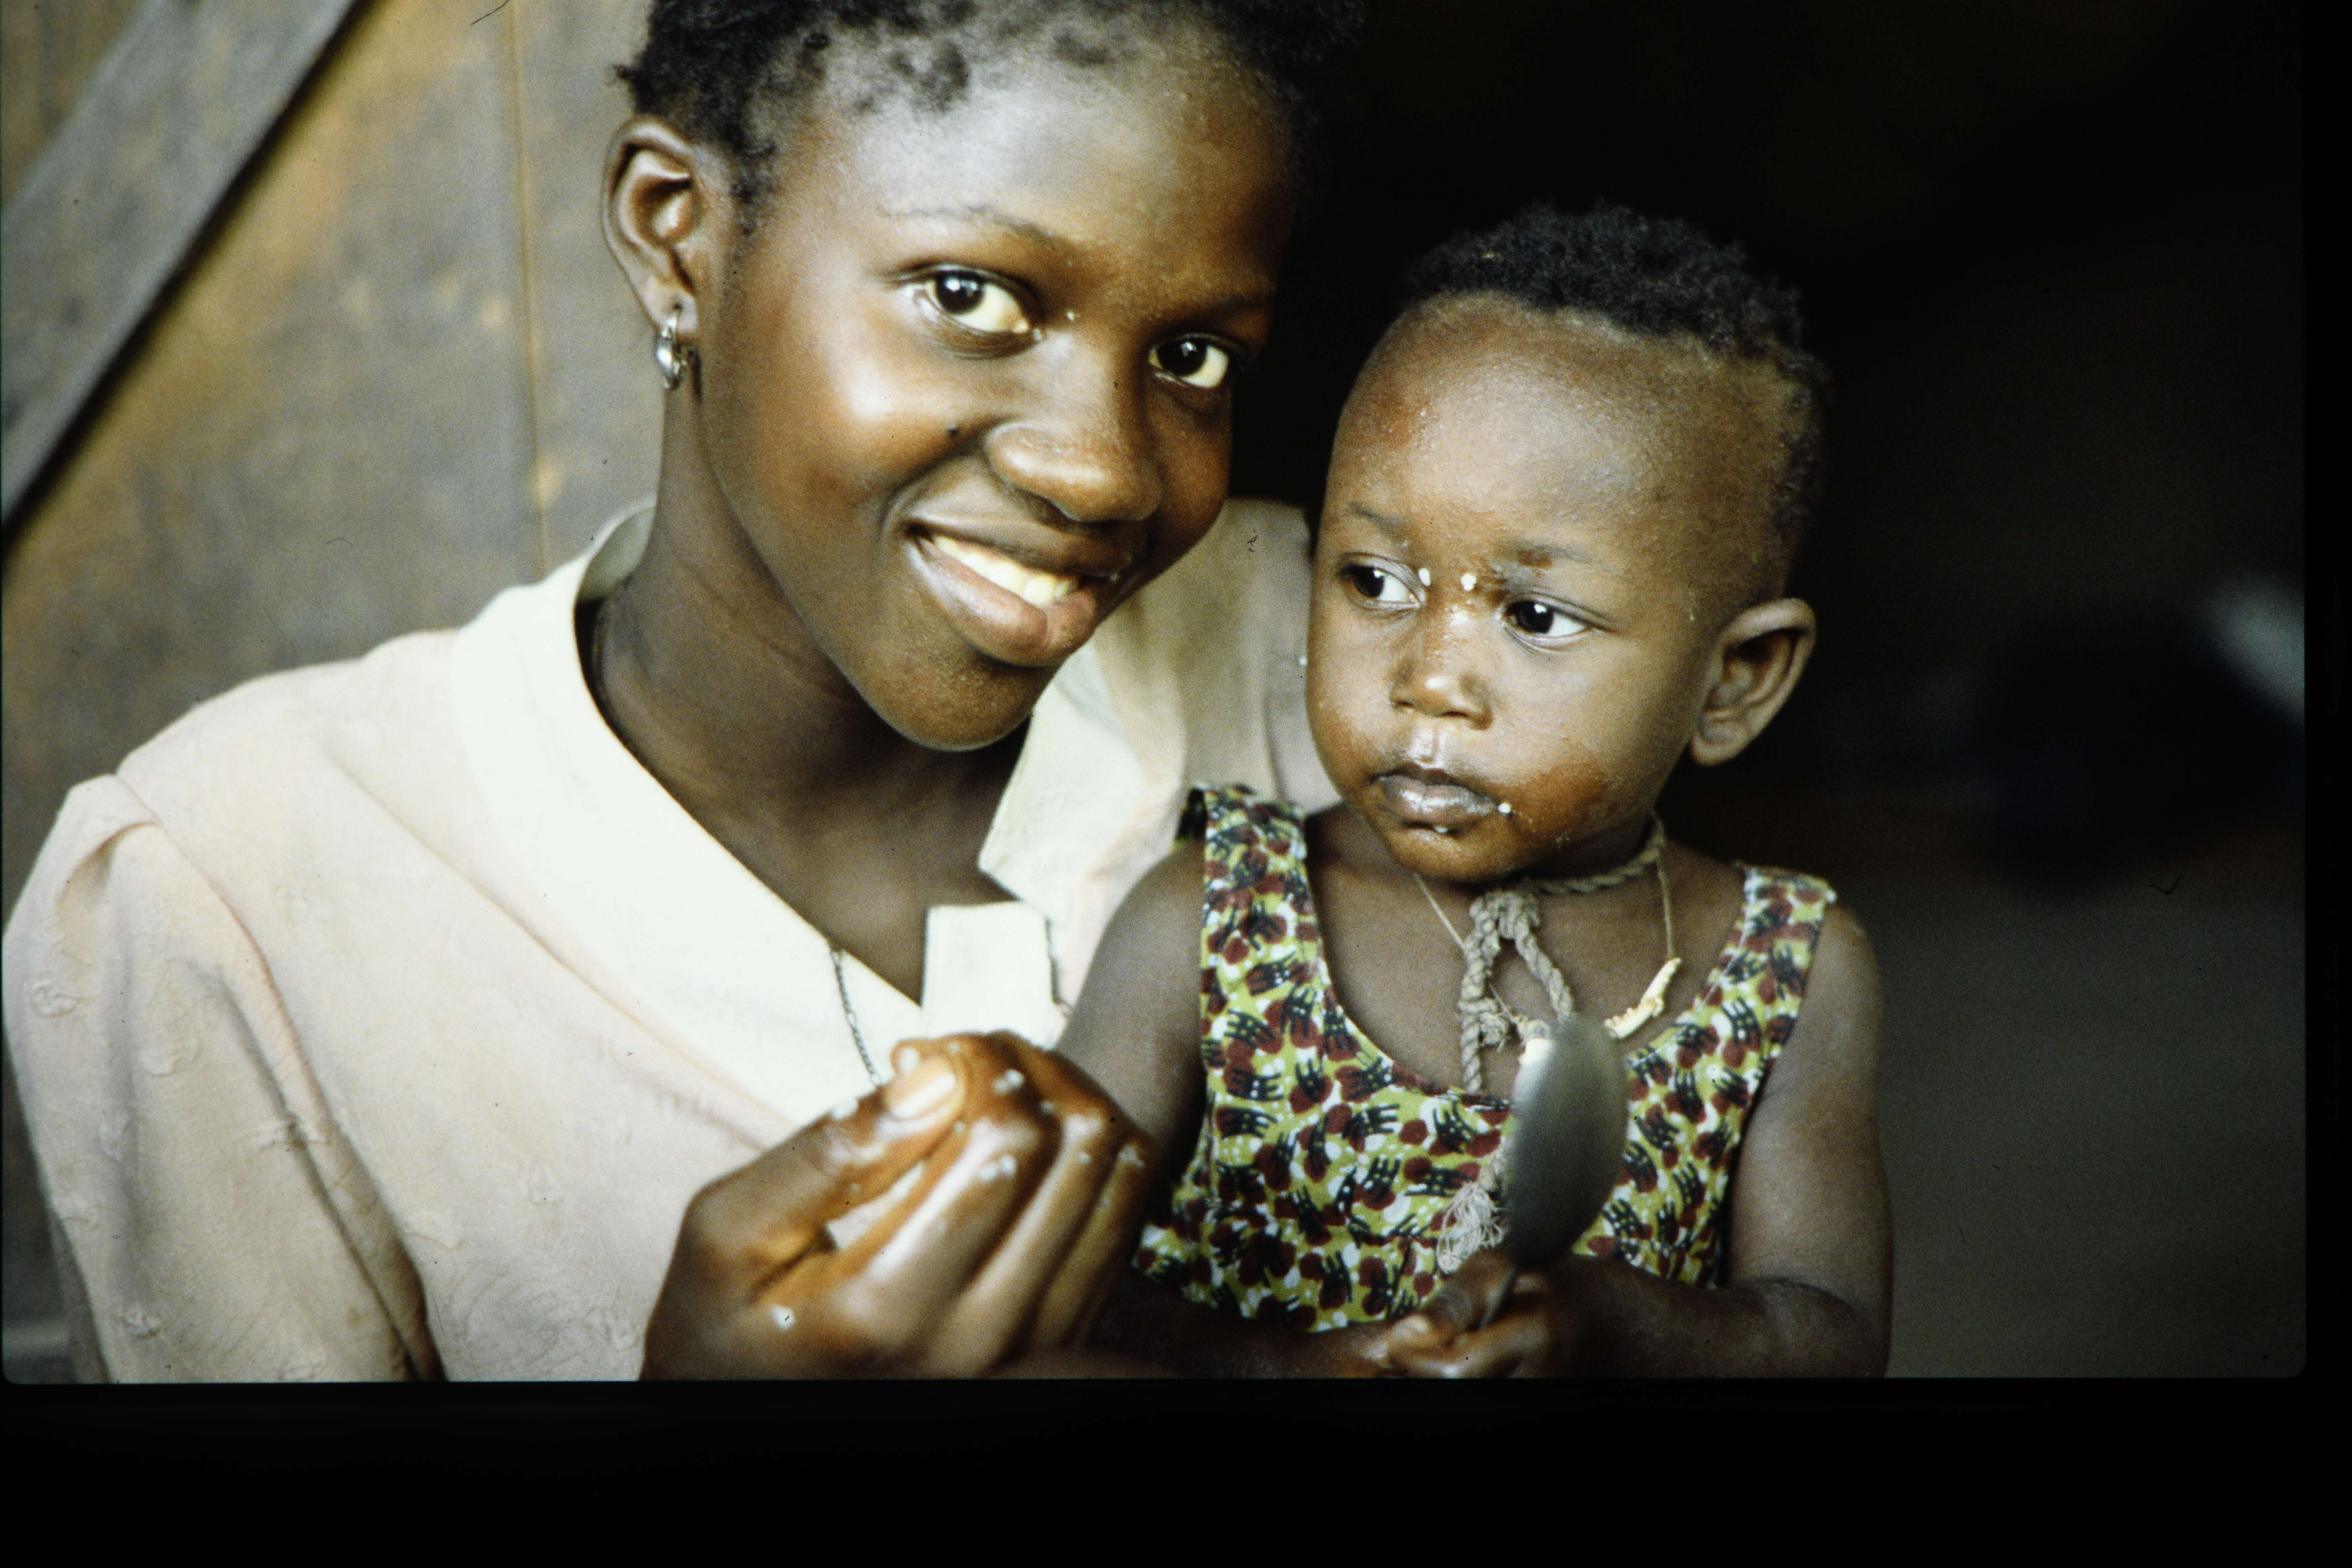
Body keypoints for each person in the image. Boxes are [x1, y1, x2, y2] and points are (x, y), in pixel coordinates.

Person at [1, 0, 1360, 1381]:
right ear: (674, 234)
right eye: (968, 297)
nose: (1104, 471)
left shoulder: (1340, 669)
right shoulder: (229, 900)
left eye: (1193, 357)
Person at [1058, 202, 1892, 1376]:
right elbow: (1058, 1285)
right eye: (1374, 581)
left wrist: (1615, 1326)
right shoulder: (1214, 917)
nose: (1430, 679)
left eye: (1536, 616)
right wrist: (1293, 1369)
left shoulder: (1788, 968)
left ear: (1734, 682)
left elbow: (1830, 1331)